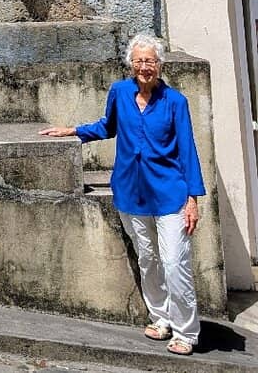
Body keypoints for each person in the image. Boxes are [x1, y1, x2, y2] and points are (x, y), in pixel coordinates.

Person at [41, 33, 205, 356]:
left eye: (151, 61)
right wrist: (72, 131)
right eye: (140, 61)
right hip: (132, 192)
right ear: (132, 64)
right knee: (148, 258)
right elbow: (107, 127)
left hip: (170, 193)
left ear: (160, 65)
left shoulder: (176, 102)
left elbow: (188, 151)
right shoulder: (119, 92)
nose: (145, 67)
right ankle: (161, 318)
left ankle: (186, 330)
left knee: (174, 262)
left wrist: (193, 199)